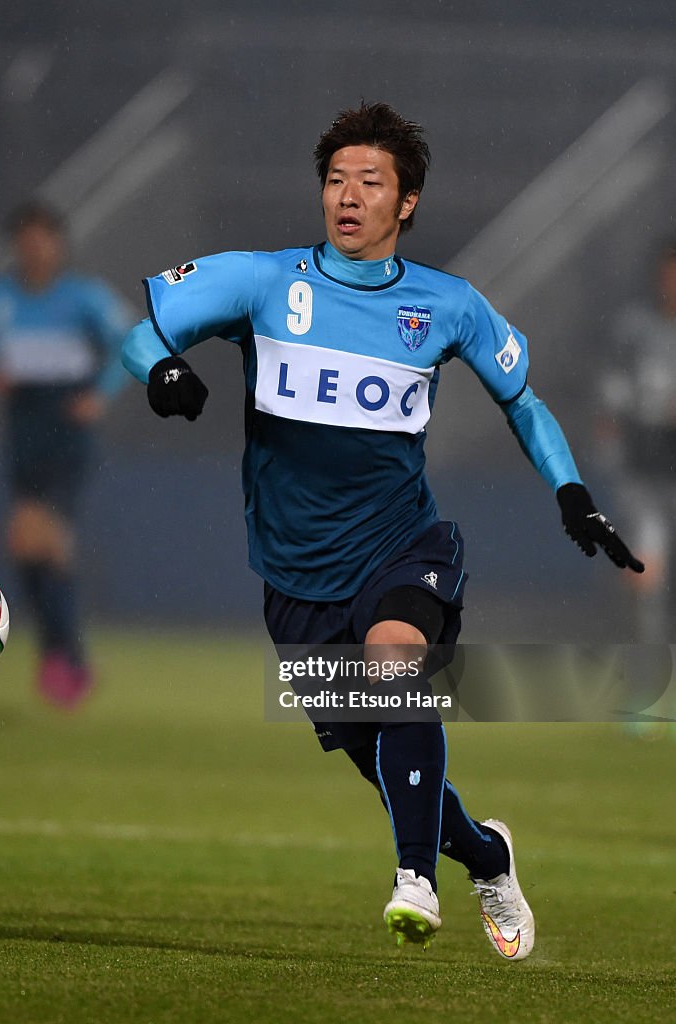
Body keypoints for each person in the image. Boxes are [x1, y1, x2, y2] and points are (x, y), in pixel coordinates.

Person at [121, 103, 644, 958]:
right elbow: (139, 332)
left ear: (406, 203)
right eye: (334, 180)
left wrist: (572, 492)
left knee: (394, 661)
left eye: (369, 182)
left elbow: (523, 401)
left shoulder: (447, 305)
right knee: (384, 762)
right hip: (293, 576)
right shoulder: (263, 281)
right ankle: (485, 854)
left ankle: (414, 880)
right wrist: (161, 369)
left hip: (402, 544)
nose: (347, 197)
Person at [0, 200, 131, 708]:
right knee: (28, 547)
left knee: (41, 538)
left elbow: (132, 343)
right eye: (26, 238)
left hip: (65, 433)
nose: (34, 247)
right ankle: (62, 656)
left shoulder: (84, 298)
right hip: (22, 430)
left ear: (58, 244)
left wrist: (99, 394)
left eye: (43, 237)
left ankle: (68, 662)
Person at [598, 239, 676, 645]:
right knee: (646, 574)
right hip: (645, 472)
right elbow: (611, 400)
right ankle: (648, 677)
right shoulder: (635, 331)